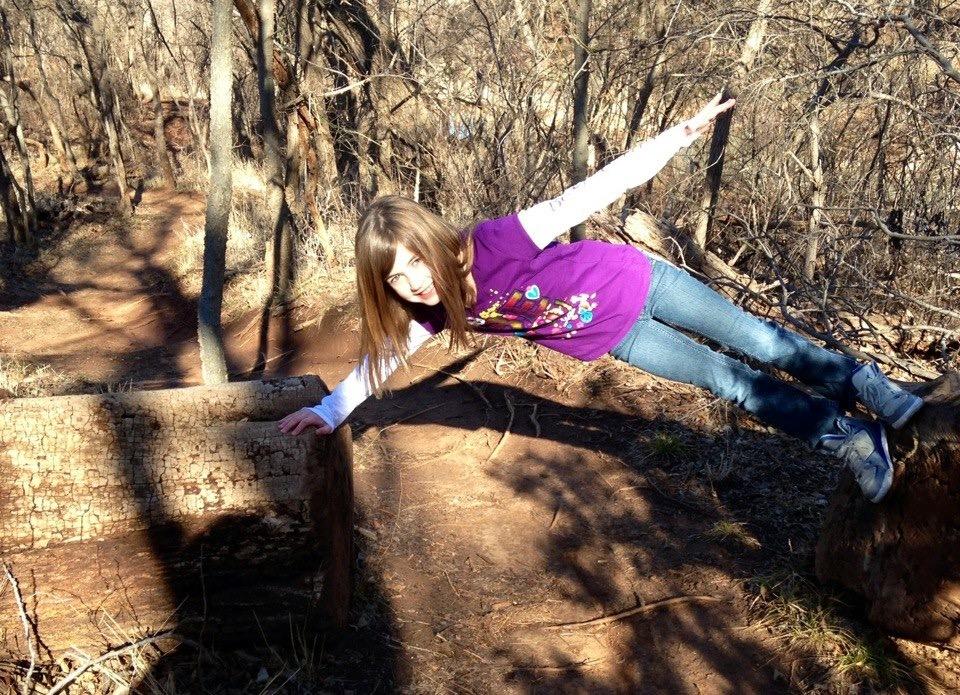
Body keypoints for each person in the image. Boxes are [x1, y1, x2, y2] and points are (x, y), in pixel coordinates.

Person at [278, 94, 923, 504]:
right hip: (620, 337)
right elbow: (380, 364)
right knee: (735, 384)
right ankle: (849, 438)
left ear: (432, 240)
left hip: (646, 283)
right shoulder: (432, 311)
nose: (413, 280)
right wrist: (332, 412)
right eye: (395, 278)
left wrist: (679, 135)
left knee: (759, 340)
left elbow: (586, 194)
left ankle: (868, 384)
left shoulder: (495, 242)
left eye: (415, 260)